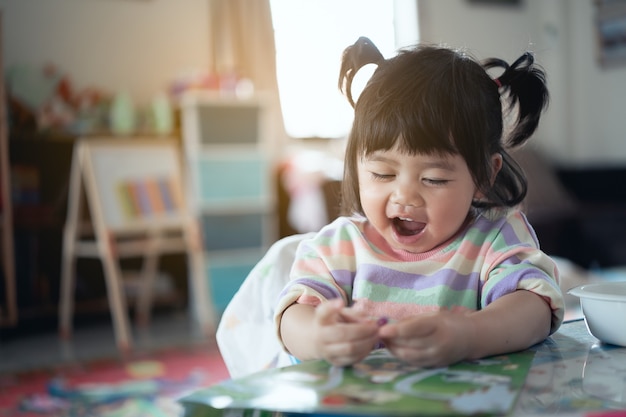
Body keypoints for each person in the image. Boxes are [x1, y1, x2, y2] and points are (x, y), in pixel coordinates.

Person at [274, 37, 565, 369]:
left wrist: (469, 334)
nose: (405, 196)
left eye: (434, 179)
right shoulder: (338, 247)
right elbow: (291, 317)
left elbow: (536, 306)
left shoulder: (495, 239)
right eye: (383, 173)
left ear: (485, 176)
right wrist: (319, 337)